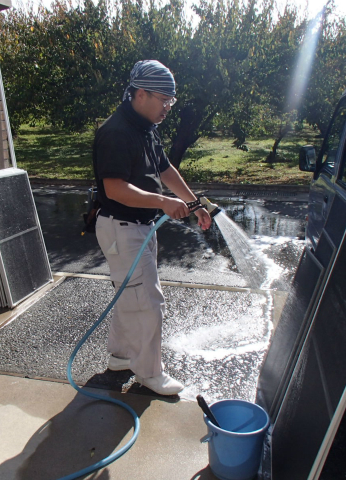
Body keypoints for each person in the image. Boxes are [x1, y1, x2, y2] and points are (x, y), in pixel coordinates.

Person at [92, 60, 212, 396]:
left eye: (171, 102)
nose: (167, 108)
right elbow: (114, 188)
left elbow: (164, 168)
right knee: (148, 302)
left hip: (137, 227)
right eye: (163, 100)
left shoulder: (145, 126)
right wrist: (162, 202)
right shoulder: (116, 132)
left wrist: (194, 203)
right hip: (121, 227)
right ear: (140, 94)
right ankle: (149, 373)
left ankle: (120, 357)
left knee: (129, 294)